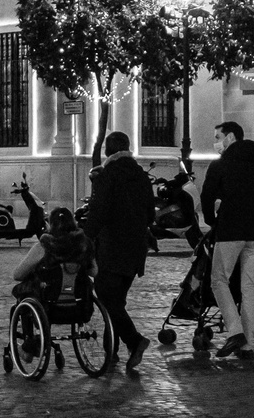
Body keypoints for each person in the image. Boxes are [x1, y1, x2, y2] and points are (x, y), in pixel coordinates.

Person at [200, 121, 254, 360]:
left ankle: (235, 331)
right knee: (250, 287)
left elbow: (207, 195)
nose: (216, 142)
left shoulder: (221, 164)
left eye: (218, 137)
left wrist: (213, 219)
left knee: (219, 280)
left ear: (230, 137)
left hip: (230, 231)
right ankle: (248, 345)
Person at [82, 130, 154, 372]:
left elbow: (98, 212)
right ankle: (109, 350)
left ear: (107, 151)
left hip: (113, 247)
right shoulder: (141, 176)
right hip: (136, 249)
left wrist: (85, 238)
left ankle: (134, 341)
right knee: (116, 300)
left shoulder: (107, 175)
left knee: (105, 296)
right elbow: (151, 214)